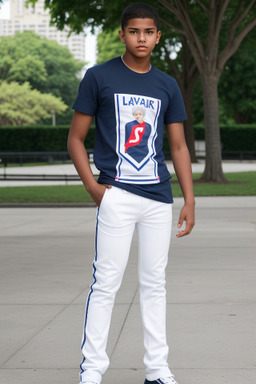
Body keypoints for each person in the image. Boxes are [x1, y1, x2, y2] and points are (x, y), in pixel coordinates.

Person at [67, 3, 195, 384]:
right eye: (134, 31)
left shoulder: (167, 85)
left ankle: (157, 370)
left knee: (155, 284)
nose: (142, 38)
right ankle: (91, 371)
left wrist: (189, 199)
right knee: (106, 282)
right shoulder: (98, 77)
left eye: (149, 32)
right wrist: (94, 187)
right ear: (122, 34)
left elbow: (178, 147)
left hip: (158, 198)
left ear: (158, 36)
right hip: (115, 195)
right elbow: (75, 138)